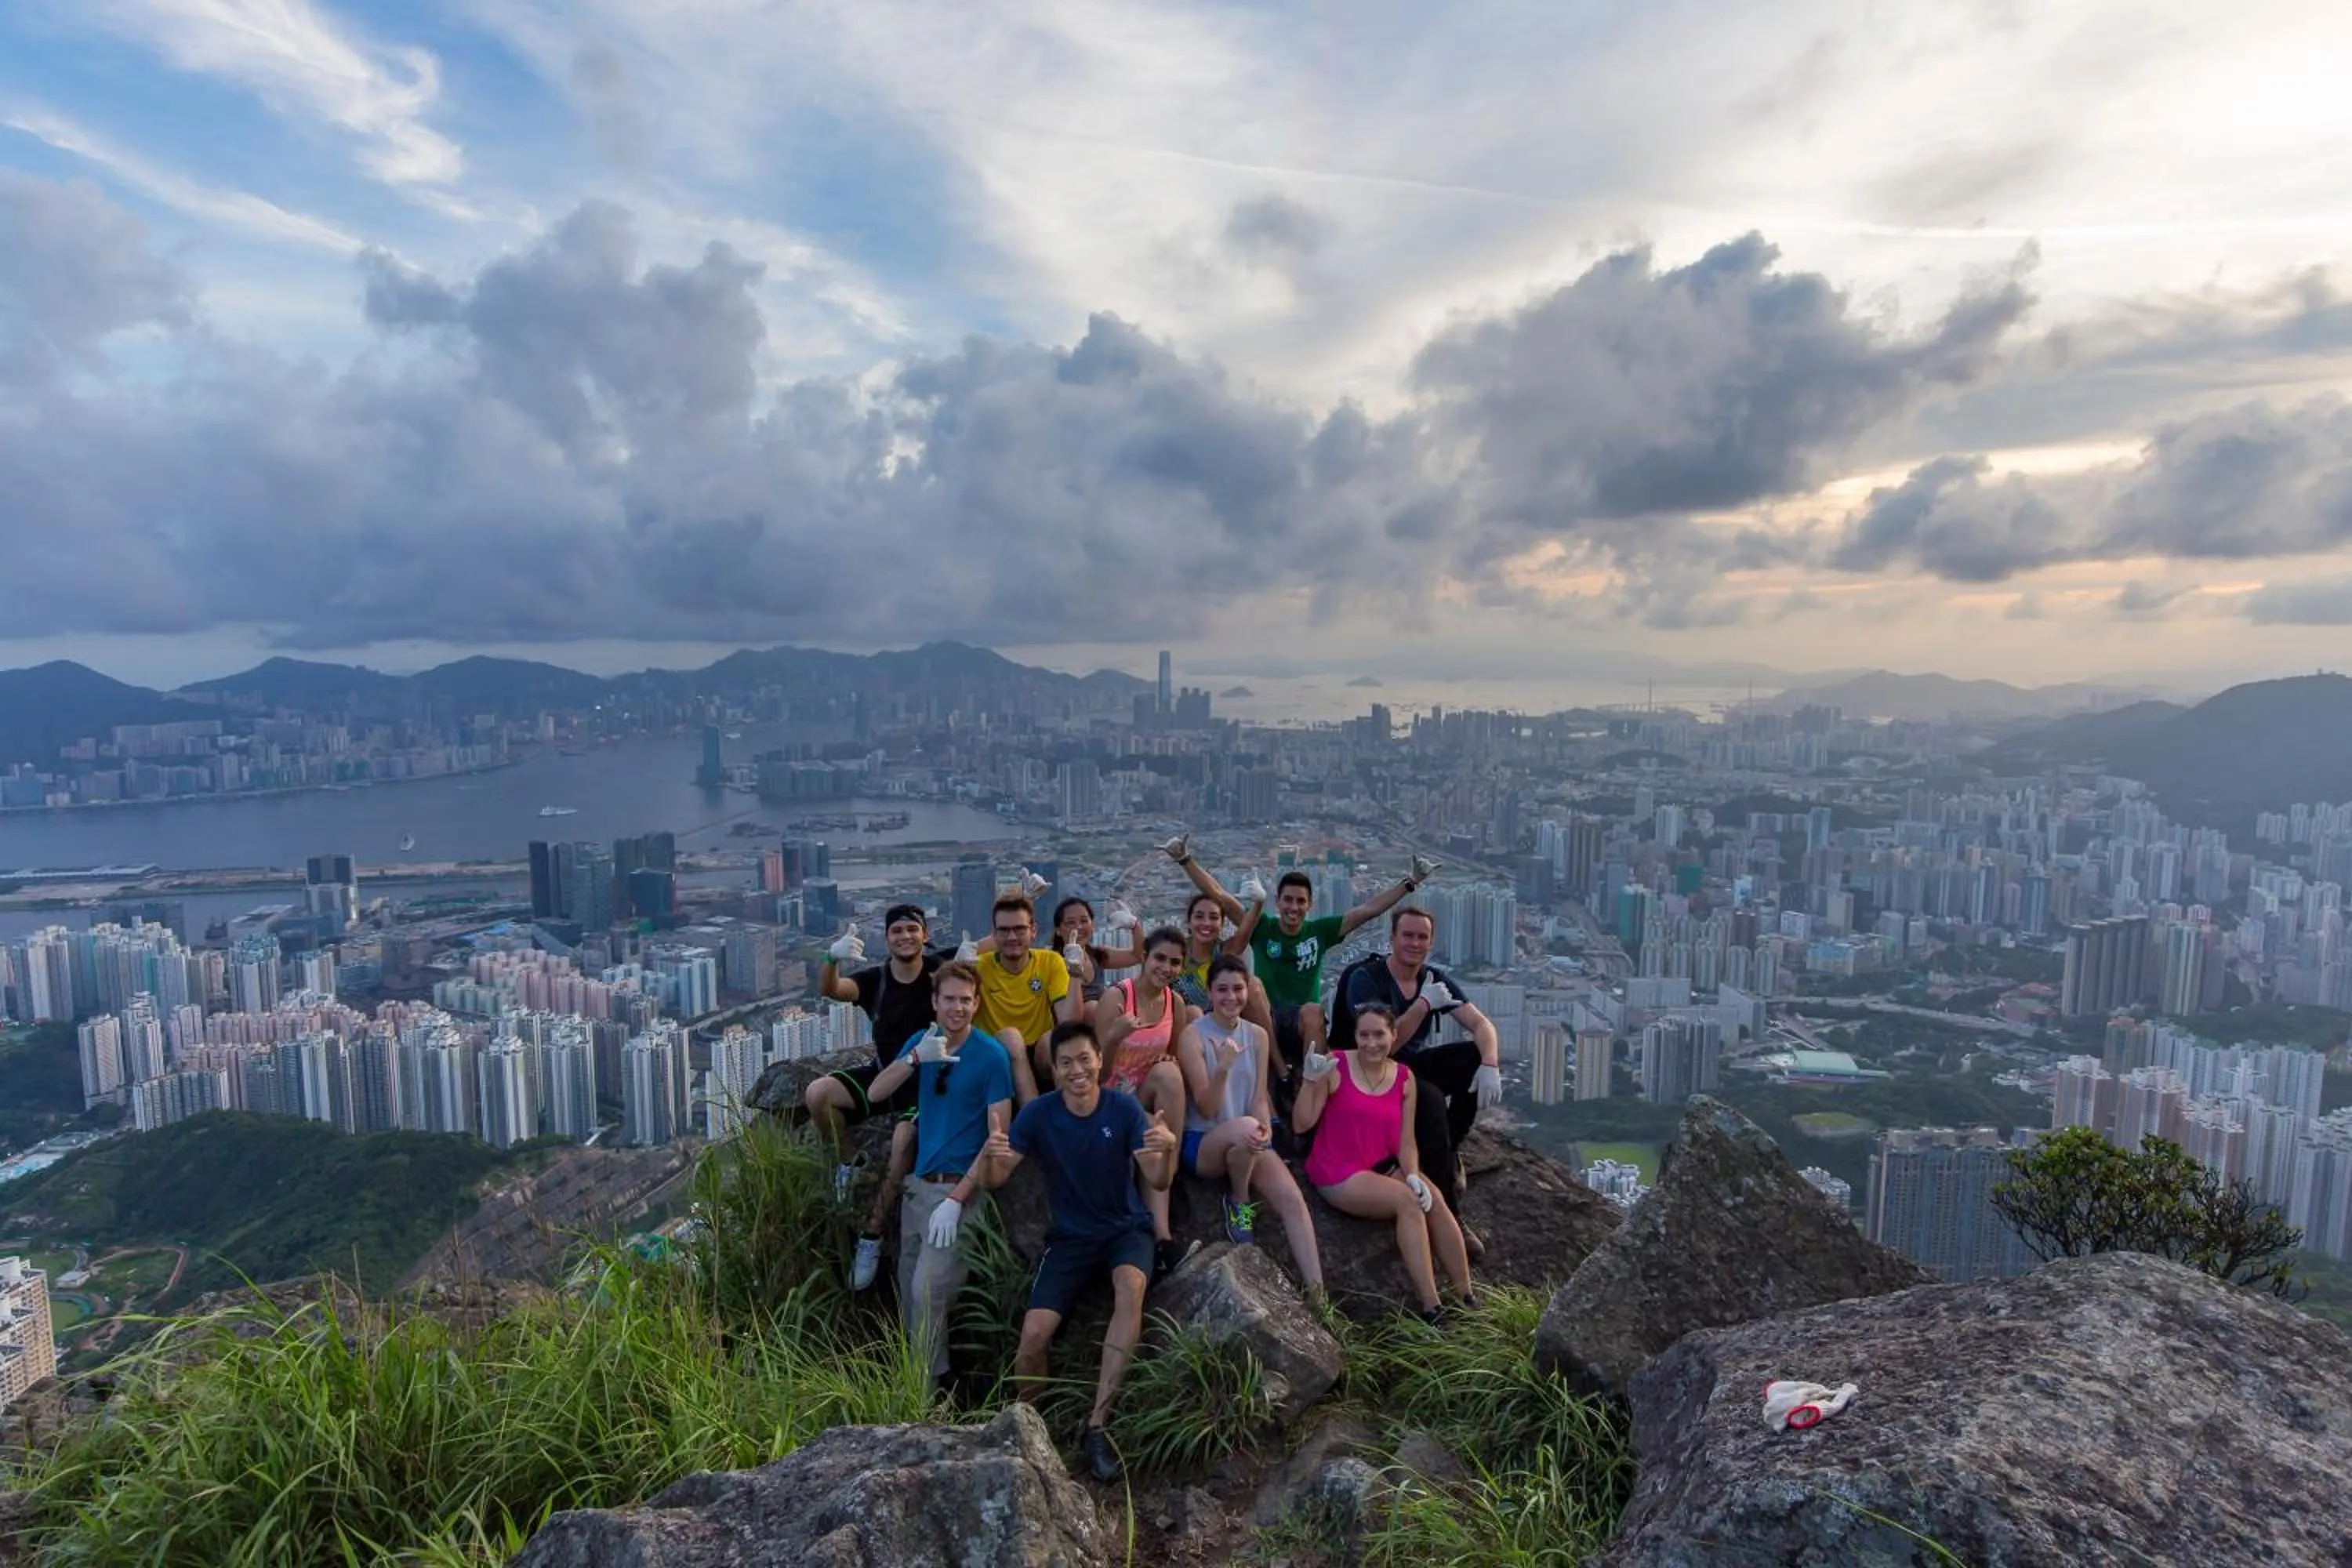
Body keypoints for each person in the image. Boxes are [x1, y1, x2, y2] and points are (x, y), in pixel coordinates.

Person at [978, 1020, 1180, 1483]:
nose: (1076, 1070)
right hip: (1069, 1237)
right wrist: (992, 1156)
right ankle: (1027, 1428)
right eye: (1065, 1062)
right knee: (1033, 1336)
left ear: (1099, 1061)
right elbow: (996, 1181)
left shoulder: (1124, 1109)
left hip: (1125, 1229)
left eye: (1084, 1059)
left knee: (1131, 1287)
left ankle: (1097, 1424)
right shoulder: (1039, 1116)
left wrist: (1164, 1150)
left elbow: (1159, 1180)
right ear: (1053, 1068)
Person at [858, 961, 1016, 1393]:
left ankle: (921, 1398)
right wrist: (914, 1058)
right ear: (934, 1002)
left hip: (959, 1193)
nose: (958, 1007)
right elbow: (875, 1093)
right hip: (918, 1189)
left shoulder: (991, 1057)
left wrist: (959, 1198)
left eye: (966, 1000)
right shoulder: (923, 1043)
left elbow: (997, 1137)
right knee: (910, 1294)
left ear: (977, 1003)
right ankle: (933, 1379)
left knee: (929, 1290)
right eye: (949, 999)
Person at [1292, 1004, 1473, 1324]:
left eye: (1379, 1035)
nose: (1371, 1043)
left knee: (1436, 1200)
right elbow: (1301, 1124)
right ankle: (1432, 1307)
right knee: (1407, 1202)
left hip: (1383, 1164)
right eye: (1364, 1035)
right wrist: (1310, 1081)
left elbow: (1406, 1141)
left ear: (1394, 1035)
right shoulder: (1336, 1066)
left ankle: (1466, 1295)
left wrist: (1414, 1173)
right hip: (1339, 1170)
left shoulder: (1404, 1077)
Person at [804, 904, 948, 1290]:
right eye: (897, 930)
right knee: (818, 1094)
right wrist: (830, 958)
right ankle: (851, 1158)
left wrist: (1027, 895)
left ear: (925, 934)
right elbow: (832, 989)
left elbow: (1002, 942)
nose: (905, 936)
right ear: (886, 939)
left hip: (930, 1084)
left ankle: (872, 1236)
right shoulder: (876, 981)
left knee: (903, 1144)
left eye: (912, 929)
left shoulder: (941, 968)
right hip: (886, 1075)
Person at [1332, 907, 1504, 1230]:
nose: (1414, 943)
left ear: (1431, 942)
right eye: (1407, 935)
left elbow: (1481, 1024)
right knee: (1432, 1100)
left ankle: (1449, 1147)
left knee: (1473, 1058)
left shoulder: (1433, 979)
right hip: (1369, 1073)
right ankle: (1452, 1213)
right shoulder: (1366, 978)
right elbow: (1380, 1048)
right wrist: (1423, 1004)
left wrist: (1490, 1063)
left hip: (1408, 1068)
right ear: (1393, 938)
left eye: (1422, 937)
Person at [1175, 956, 1323, 1298]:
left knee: (1292, 1200)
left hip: (1246, 1139)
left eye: (1238, 989)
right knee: (1243, 1127)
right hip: (1204, 1143)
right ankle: (1238, 1200)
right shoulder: (1192, 1037)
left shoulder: (1256, 1035)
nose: (1231, 997)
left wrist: (1265, 1130)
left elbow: (1258, 1097)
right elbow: (1207, 1106)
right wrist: (1223, 1067)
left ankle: (1319, 1294)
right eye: (1222, 989)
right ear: (1210, 993)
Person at [1227, 855, 1434, 1086]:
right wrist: (1185, 860)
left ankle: (1310, 1087)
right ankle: (1280, 1070)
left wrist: (1410, 883)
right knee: (1252, 985)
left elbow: (1367, 910)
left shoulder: (1319, 932)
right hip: (1268, 1019)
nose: (1293, 907)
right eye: (1288, 900)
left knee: (1314, 1011)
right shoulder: (1263, 927)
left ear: (1310, 905)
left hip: (1304, 1024)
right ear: (1277, 901)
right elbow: (1223, 901)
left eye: (1300, 901)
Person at [1091, 926, 1196, 1280]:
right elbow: (1096, 1072)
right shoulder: (1117, 998)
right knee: (1147, 1124)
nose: (1166, 967)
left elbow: (1170, 1055)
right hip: (1108, 1093)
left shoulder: (1174, 1003)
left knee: (1169, 1075)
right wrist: (1115, 1036)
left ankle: (1163, 1227)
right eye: (1160, 958)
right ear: (1145, 958)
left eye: (1175, 962)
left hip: (1144, 1093)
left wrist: (1169, 1066)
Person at [967, 893, 1080, 1103]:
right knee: (1012, 1038)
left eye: (1019, 929)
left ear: (1033, 931)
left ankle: (1073, 1112)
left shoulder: (1050, 962)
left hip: (1037, 1054)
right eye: (1004, 930)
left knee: (1052, 1040)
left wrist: (1075, 976)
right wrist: (961, 969)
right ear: (994, 934)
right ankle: (1035, 1121)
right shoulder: (978, 967)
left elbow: (1069, 1023)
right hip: (996, 1055)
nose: (1012, 937)